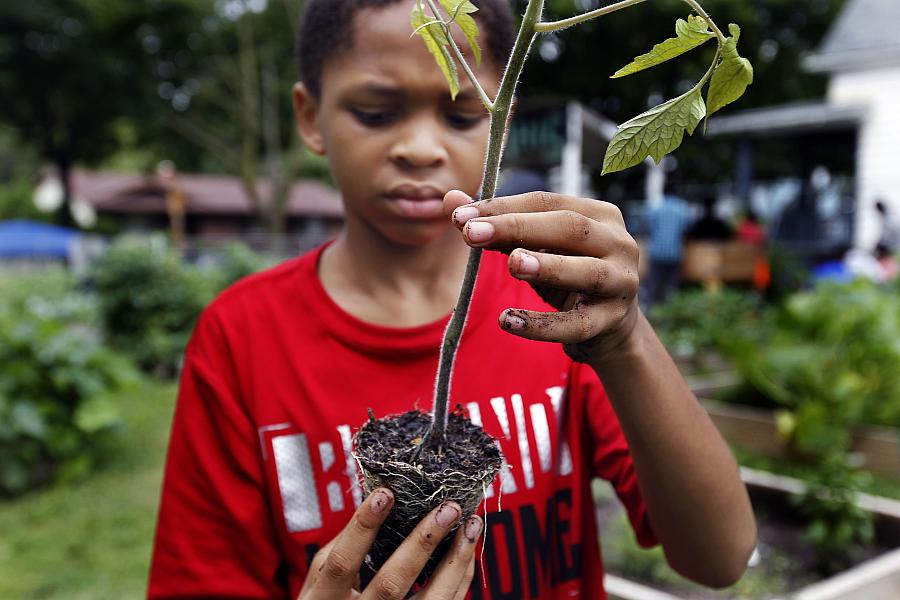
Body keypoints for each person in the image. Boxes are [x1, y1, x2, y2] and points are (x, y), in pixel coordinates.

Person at [148, 1, 757, 598]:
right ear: (310, 118)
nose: (419, 148)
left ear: (503, 118)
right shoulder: (240, 337)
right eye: (375, 112)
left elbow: (719, 555)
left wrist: (623, 337)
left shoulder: (560, 313)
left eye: (463, 114)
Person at [643, 188, 692, 307]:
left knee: (654, 285)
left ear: (663, 192)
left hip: (656, 252)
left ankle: (651, 313)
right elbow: (687, 230)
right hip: (675, 253)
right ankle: (670, 313)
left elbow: (647, 226)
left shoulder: (655, 208)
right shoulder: (682, 209)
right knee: (672, 287)